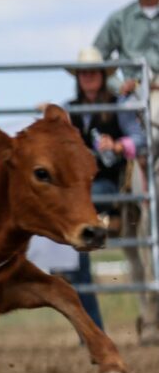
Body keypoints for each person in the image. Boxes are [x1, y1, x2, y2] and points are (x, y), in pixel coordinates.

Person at [61, 47, 147, 332]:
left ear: (101, 75)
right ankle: (91, 328)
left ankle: (91, 328)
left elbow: (140, 139)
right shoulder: (69, 110)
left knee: (84, 216)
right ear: (79, 77)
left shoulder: (117, 106)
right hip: (76, 189)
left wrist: (120, 146)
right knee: (74, 257)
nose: (88, 77)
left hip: (105, 183)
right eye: (84, 72)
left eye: (93, 72)